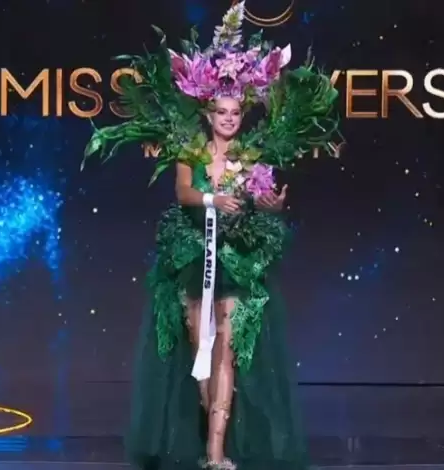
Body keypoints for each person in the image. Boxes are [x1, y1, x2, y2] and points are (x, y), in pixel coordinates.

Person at [81, 3, 341, 469]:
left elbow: (262, 197)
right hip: (192, 256)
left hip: (236, 260)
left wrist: (272, 205)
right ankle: (206, 443)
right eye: (221, 111)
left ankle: (217, 452)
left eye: (236, 112)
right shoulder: (191, 152)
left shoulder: (252, 154)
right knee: (200, 349)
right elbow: (183, 193)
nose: (229, 119)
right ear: (209, 113)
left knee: (226, 352)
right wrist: (211, 200)